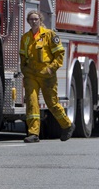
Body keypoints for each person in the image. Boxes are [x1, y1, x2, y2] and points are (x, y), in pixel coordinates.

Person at [19, 10, 74, 143]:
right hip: (31, 75)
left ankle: (67, 125)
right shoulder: (25, 38)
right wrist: (25, 70)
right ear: (28, 21)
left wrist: (51, 69)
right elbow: (23, 56)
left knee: (52, 103)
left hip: (46, 74)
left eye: (36, 19)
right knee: (32, 103)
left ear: (40, 20)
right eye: (31, 19)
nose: (33, 21)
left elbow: (59, 54)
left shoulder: (49, 35)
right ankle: (33, 133)